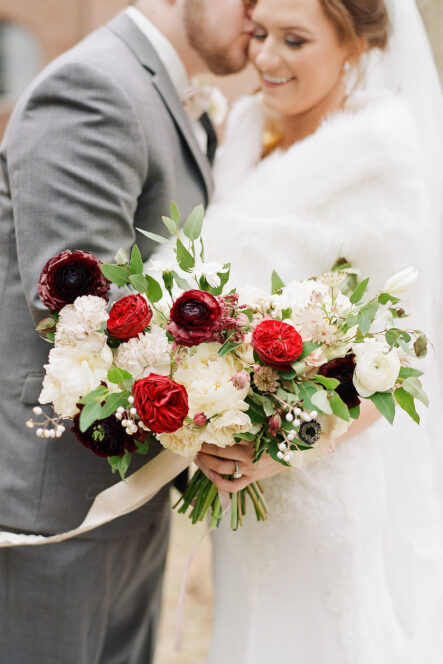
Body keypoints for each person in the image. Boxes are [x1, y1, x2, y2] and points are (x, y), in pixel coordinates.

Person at [0, 1, 254, 662]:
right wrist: (220, 413)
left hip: (127, 485)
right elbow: (79, 310)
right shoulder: (94, 88)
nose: (260, 17)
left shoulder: (168, 98)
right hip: (54, 507)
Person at [195, 0, 443, 661]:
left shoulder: (379, 162)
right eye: (261, 34)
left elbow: (400, 352)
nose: (266, 58)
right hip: (236, 490)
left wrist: (281, 448)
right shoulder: (243, 134)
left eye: (294, 40)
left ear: (354, 47)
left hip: (324, 478)